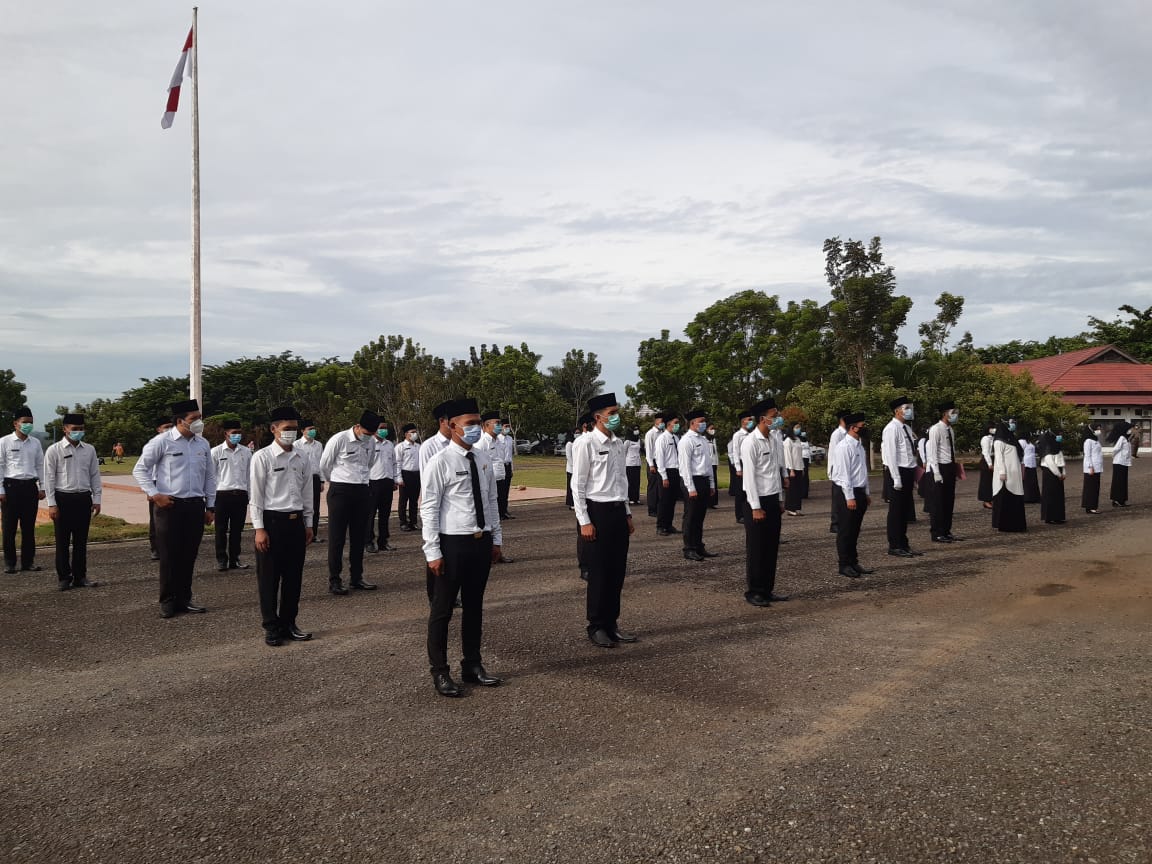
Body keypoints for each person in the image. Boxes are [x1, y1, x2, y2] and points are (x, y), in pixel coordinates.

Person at [421, 397, 504, 697]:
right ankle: (440, 672)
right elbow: (429, 509)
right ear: (452, 425)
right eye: (468, 424)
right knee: (442, 611)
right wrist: (432, 551)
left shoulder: (482, 459)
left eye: (476, 423)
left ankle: (472, 664)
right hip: (451, 543)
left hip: (480, 543)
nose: (474, 428)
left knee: (474, 607)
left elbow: (492, 500)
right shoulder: (440, 461)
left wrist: (496, 538)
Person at [133, 398, 216, 618]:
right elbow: (140, 470)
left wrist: (211, 506)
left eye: (199, 417)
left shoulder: (202, 444)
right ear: (180, 420)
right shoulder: (162, 442)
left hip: (195, 506)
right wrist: (155, 495)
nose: (199, 422)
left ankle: (184, 599)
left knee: (189, 555)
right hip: (170, 506)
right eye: (194, 418)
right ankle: (168, 601)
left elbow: (209, 476)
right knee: (169, 556)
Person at [570, 392, 637, 648]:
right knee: (599, 572)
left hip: (618, 511)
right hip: (596, 512)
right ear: (598, 417)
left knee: (617, 571)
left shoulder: (618, 444)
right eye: (612, 413)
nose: (616, 417)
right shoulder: (585, 443)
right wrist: (584, 521)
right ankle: (596, 625)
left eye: (617, 412)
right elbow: (578, 486)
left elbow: (622, 481)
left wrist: (628, 513)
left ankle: (612, 623)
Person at [248, 407, 314, 647]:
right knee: (269, 578)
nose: (291, 433)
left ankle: (289, 623)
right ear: (273, 429)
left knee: (293, 578)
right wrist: (259, 529)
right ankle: (271, 626)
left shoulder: (302, 456)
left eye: (295, 429)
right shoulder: (262, 457)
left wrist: (308, 523)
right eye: (287, 429)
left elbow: (308, 493)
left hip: (296, 523)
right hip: (272, 523)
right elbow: (256, 496)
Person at [319, 410, 379, 595]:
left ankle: (356, 578)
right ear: (358, 426)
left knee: (358, 537)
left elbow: (369, 463)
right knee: (337, 539)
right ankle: (335, 580)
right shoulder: (339, 439)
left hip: (362, 490)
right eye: (366, 433)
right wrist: (337, 482)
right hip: (341, 491)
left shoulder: (371, 442)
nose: (368, 437)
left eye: (371, 434)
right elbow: (324, 465)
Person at [44, 413, 102, 590]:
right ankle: (64, 577)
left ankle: (80, 576)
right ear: (65, 429)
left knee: (81, 541)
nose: (78, 432)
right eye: (74, 429)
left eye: (81, 429)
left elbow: (94, 475)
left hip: (83, 498)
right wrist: (52, 504)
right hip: (63, 499)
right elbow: (49, 478)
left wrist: (97, 499)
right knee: (62, 541)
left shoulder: (89, 450)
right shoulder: (54, 450)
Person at [739, 399, 789, 606]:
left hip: (772, 497)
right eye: (773, 415)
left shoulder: (774, 439)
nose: (777, 418)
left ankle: (768, 589)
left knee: (771, 546)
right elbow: (749, 477)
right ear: (762, 418)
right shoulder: (750, 442)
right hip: (756, 501)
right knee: (757, 548)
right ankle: (755, 591)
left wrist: (780, 498)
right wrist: (755, 507)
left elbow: (775, 473)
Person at [829, 412, 873, 579]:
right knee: (846, 531)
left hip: (859, 490)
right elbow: (844, 475)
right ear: (853, 428)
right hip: (848, 493)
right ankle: (844, 564)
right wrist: (849, 497)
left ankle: (854, 561)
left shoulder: (859, 445)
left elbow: (862, 471)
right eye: (862, 426)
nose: (864, 429)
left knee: (855, 529)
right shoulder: (843, 447)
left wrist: (866, 492)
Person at [1, 406, 45, 574]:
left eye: (30, 423)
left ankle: (28, 562)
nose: (28, 425)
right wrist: (1, 490)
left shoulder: (35, 443)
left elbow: (40, 466)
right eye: (25, 422)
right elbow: (0, 466)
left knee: (28, 529)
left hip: (29, 488)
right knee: (9, 528)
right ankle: (10, 563)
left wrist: (42, 487)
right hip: (11, 488)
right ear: (15, 423)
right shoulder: (4, 442)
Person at [419, 401, 455, 602]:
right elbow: (427, 482)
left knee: (451, 553)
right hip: (435, 505)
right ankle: (434, 595)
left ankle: (450, 593)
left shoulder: (458, 444)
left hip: (453, 509)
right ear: (442, 421)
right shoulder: (429, 446)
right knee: (434, 550)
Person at [879, 396, 923, 558]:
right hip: (897, 472)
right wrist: (896, 478)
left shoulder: (906, 428)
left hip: (908, 471)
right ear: (897, 411)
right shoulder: (891, 429)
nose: (909, 411)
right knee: (896, 511)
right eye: (906, 408)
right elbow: (891, 455)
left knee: (904, 511)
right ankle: (895, 545)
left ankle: (903, 543)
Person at [211, 418, 252, 572]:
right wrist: (210, 499)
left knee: (237, 530)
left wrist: (250, 495)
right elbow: (211, 476)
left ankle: (235, 559)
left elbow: (249, 476)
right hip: (222, 495)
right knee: (220, 530)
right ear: (226, 434)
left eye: (239, 433)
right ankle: (222, 560)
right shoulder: (215, 452)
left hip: (240, 495)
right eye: (234, 433)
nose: (237, 435)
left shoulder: (246, 452)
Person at [474, 411, 514, 564]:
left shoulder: (498, 441)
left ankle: (496, 549)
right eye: (496, 423)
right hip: (488, 484)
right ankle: (486, 552)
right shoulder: (482, 442)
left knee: (496, 516)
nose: (499, 426)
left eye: (499, 423)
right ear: (485, 426)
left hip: (500, 480)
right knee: (487, 517)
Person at [678, 409, 716, 561]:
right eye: (701, 421)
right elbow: (685, 467)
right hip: (692, 481)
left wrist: (712, 483)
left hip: (704, 480)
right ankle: (689, 548)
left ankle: (699, 545)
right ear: (692, 423)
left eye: (704, 421)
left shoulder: (703, 439)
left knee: (700, 516)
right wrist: (691, 488)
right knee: (690, 516)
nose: (703, 424)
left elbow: (708, 463)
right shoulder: (686, 441)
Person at [926, 401, 963, 543]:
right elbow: (932, 452)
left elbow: (951, 450)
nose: (955, 415)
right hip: (939, 467)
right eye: (953, 413)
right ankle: (937, 532)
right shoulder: (936, 429)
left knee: (949, 501)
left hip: (949, 467)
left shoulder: (950, 429)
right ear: (945, 414)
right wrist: (936, 471)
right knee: (938, 503)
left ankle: (946, 530)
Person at [366, 418, 400, 554]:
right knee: (370, 515)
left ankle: (383, 541)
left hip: (387, 482)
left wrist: (395, 479)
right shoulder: (368, 444)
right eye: (381, 427)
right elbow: (364, 464)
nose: (384, 430)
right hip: (372, 482)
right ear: (375, 428)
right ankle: (368, 541)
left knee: (385, 515)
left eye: (385, 427)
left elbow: (394, 463)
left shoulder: (389, 444)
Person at [146, 417, 174, 560]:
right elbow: (146, 468)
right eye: (166, 426)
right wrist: (149, 490)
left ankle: (170, 546)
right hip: (156, 484)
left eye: (171, 426)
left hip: (170, 484)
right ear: (158, 429)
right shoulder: (154, 444)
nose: (169, 429)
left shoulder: (175, 443)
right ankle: (155, 548)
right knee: (155, 519)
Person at [991, 422, 1027, 532]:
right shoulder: (998, 441)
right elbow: (999, 458)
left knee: (1016, 497)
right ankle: (1006, 525)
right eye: (1009, 424)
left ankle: (1017, 524)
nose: (1012, 426)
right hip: (1006, 476)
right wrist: (1002, 472)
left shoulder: (1011, 439)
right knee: (1006, 498)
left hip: (1015, 473)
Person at [295, 420, 324, 543]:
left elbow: (321, 463)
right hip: (302, 479)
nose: (313, 431)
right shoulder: (297, 445)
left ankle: (314, 534)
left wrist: (322, 480)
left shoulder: (318, 445)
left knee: (315, 507)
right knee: (302, 506)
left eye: (314, 428)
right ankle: (301, 533)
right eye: (309, 429)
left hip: (315, 478)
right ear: (302, 431)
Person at [654, 412, 682, 536]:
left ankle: (669, 524)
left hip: (676, 471)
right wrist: (664, 476)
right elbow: (660, 459)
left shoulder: (676, 438)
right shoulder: (662, 439)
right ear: (668, 424)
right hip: (665, 472)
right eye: (675, 423)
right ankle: (660, 526)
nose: (677, 425)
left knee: (672, 500)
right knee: (664, 500)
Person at [727, 409, 754, 524]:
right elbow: (735, 452)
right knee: (740, 492)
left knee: (750, 489)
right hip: (741, 464)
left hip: (750, 463)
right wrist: (738, 468)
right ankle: (740, 515)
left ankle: (749, 511)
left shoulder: (752, 434)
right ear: (743, 422)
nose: (751, 422)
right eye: (749, 420)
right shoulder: (738, 435)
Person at [826, 411, 849, 533]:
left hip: (846, 469)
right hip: (838, 470)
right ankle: (835, 522)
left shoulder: (848, 433)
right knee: (837, 498)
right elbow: (832, 453)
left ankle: (844, 521)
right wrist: (831, 471)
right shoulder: (837, 434)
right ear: (842, 420)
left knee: (846, 497)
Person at [395, 423, 421, 532]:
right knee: (403, 500)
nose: (415, 434)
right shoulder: (400, 447)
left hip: (416, 474)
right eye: (412, 432)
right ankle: (403, 522)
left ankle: (413, 522)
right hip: (405, 474)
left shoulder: (418, 446)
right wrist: (399, 478)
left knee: (414, 501)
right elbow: (397, 463)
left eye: (416, 432)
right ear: (406, 434)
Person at [1037, 432, 1066, 525]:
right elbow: (1050, 463)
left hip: (1059, 472)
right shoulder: (1047, 449)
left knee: (1058, 496)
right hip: (1050, 473)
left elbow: (1062, 461)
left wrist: (1064, 472)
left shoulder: (1057, 448)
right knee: (1050, 495)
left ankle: (1058, 516)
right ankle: (1049, 517)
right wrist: (1058, 474)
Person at [644, 411, 667, 518]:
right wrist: (651, 465)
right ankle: (652, 509)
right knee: (653, 487)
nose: (663, 423)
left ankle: (659, 507)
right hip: (653, 462)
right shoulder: (650, 434)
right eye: (661, 421)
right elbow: (648, 451)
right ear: (656, 421)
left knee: (660, 486)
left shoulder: (663, 433)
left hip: (662, 462)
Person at [1110, 420, 1133, 507]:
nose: (1130, 430)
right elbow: (1115, 449)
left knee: (1123, 482)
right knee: (1118, 482)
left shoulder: (1127, 439)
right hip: (1119, 463)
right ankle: (1116, 500)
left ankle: (1122, 500)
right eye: (1129, 428)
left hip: (1124, 463)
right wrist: (1114, 457)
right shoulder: (1122, 438)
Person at [783, 425, 805, 516]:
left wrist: (802, 467)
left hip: (799, 466)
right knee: (792, 489)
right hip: (792, 468)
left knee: (798, 489)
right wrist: (791, 469)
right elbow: (788, 456)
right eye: (796, 427)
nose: (798, 429)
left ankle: (796, 507)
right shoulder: (788, 441)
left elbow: (800, 455)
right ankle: (790, 508)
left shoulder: (798, 439)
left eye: (799, 427)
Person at [1081, 424, 1103, 514]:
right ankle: (1090, 507)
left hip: (1097, 467)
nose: (1099, 430)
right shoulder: (1088, 441)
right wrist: (1090, 467)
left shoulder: (1096, 440)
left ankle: (1093, 506)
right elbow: (1087, 455)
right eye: (1098, 428)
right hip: (1091, 468)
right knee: (1090, 488)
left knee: (1095, 488)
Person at [497, 418, 516, 519]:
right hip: (501, 466)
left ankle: (505, 510)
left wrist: (512, 469)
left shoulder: (510, 439)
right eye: (506, 426)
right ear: (501, 427)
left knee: (506, 490)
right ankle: (499, 512)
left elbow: (510, 456)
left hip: (508, 465)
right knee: (500, 490)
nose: (507, 428)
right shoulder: (497, 439)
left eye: (509, 426)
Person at [1019, 426, 1041, 504]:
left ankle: (1034, 497)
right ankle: (1027, 497)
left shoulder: (1029, 442)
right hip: (1026, 464)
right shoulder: (1021, 441)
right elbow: (1020, 452)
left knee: (1033, 481)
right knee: (1027, 482)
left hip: (1032, 464)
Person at [977, 423, 996, 510]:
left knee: (992, 481)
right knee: (986, 481)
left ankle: (991, 499)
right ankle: (986, 501)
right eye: (992, 427)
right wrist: (990, 464)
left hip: (993, 458)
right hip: (987, 461)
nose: (994, 429)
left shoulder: (993, 438)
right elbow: (986, 452)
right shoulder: (985, 438)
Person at [624, 426, 642, 504]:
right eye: (634, 430)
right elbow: (624, 453)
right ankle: (630, 498)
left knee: (637, 481)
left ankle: (636, 498)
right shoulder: (627, 441)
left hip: (637, 463)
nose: (636, 431)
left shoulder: (638, 440)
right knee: (630, 481)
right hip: (629, 463)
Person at [706, 422, 720, 509]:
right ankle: (708, 502)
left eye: (713, 428)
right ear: (707, 430)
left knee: (714, 483)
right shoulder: (704, 439)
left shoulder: (713, 439)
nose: (713, 430)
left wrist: (717, 463)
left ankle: (713, 502)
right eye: (711, 428)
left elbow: (715, 453)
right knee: (709, 483)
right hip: (708, 464)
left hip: (714, 463)